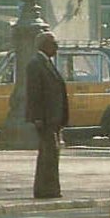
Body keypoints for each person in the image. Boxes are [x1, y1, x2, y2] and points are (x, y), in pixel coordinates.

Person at [25, 31, 69, 199]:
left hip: (54, 118)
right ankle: (45, 189)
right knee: (48, 153)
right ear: (44, 44)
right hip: (45, 118)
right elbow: (34, 93)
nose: (56, 47)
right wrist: (37, 117)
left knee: (52, 153)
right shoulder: (36, 64)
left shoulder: (47, 63)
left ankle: (50, 188)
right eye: (53, 43)